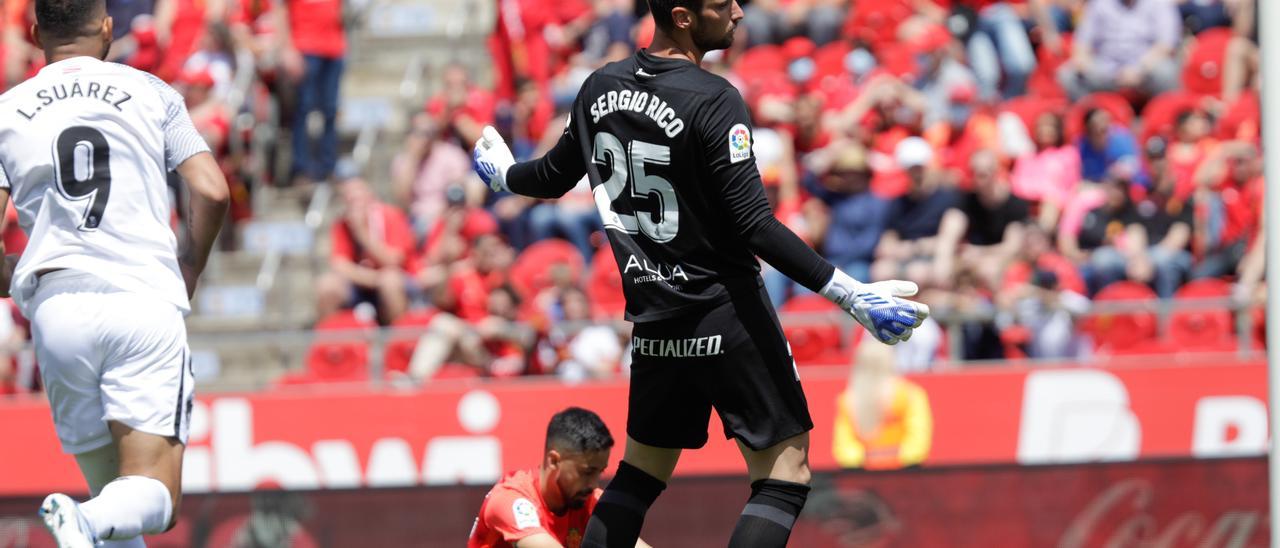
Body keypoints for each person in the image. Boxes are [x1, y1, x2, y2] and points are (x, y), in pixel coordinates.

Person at [471, 0, 929, 545]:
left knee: (640, 476)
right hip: (726, 310)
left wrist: (504, 176)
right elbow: (755, 226)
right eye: (722, 5)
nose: (737, 12)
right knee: (784, 475)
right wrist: (850, 294)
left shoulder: (598, 86)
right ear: (685, 16)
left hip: (655, 320)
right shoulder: (715, 100)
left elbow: (550, 176)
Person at [0, 0, 229, 544]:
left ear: (35, 34)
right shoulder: (151, 93)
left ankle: (86, 520)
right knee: (156, 497)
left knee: (116, 509)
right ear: (107, 29)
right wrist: (189, 265)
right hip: (140, 298)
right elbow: (212, 188)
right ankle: (83, 516)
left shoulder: (5, 112)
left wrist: (12, 273)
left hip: (57, 314)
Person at [468, 407, 651, 548]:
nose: (594, 484)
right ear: (554, 460)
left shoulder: (590, 500)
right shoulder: (510, 499)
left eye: (599, 472)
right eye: (587, 472)